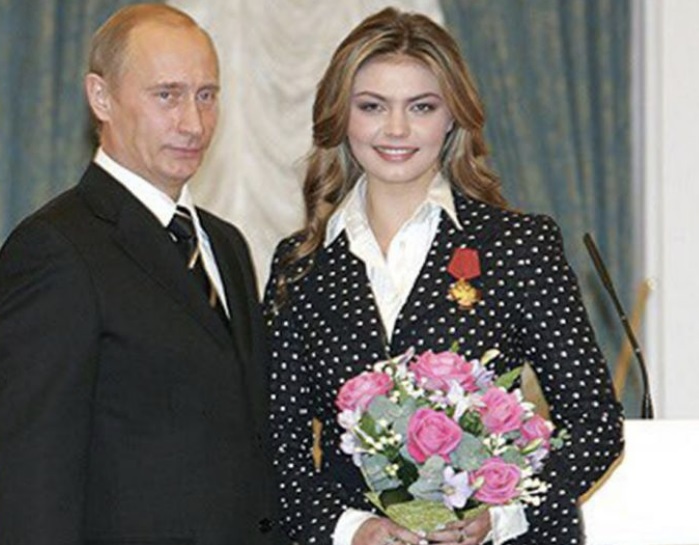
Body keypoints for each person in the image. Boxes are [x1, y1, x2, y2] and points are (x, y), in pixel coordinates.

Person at [264, 7, 624, 545]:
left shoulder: (517, 246)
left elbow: (595, 424)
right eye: (372, 106)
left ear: (453, 116)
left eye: (422, 107)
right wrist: (353, 529)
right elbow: (277, 448)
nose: (396, 129)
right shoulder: (301, 265)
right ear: (341, 116)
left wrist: (501, 514)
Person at [0, 5, 283, 545]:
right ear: (101, 97)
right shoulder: (55, 249)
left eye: (206, 95)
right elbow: (31, 480)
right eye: (167, 95)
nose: (193, 123)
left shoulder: (226, 245)